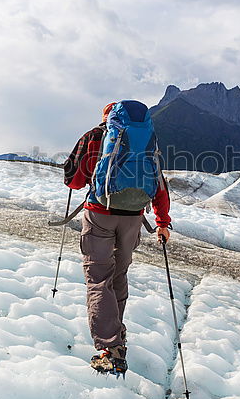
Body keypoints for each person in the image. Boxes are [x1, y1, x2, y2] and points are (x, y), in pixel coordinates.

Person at [63, 101, 171, 375]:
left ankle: (110, 349)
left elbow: (74, 181)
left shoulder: (95, 137)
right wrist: (162, 222)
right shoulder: (147, 139)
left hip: (100, 214)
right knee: (118, 275)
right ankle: (117, 337)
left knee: (98, 278)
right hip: (133, 216)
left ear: (108, 117)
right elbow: (158, 182)